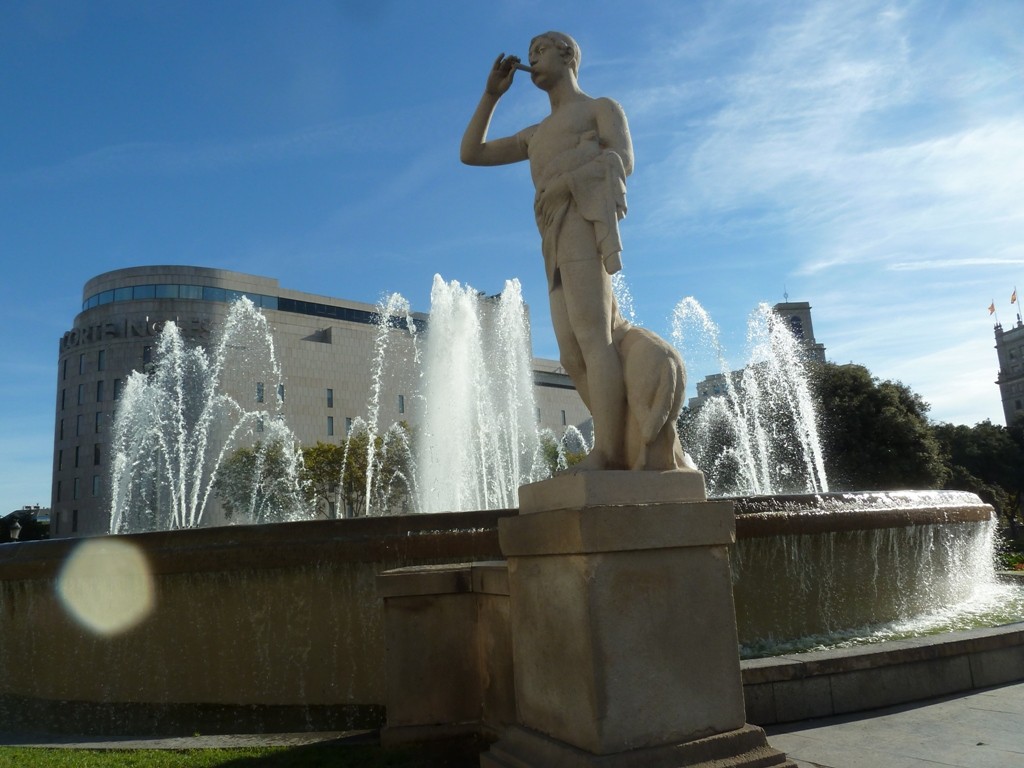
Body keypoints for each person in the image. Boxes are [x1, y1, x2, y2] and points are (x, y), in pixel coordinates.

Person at [460, 32, 634, 470]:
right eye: (531, 54)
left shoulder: (600, 108)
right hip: (552, 236)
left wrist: (566, 181)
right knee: (570, 352)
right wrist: (490, 96)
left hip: (581, 218)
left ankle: (610, 452)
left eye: (540, 51)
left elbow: (622, 161)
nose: (532, 59)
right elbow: (471, 153)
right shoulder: (533, 135)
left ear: (568, 55)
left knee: (594, 335)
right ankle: (626, 437)